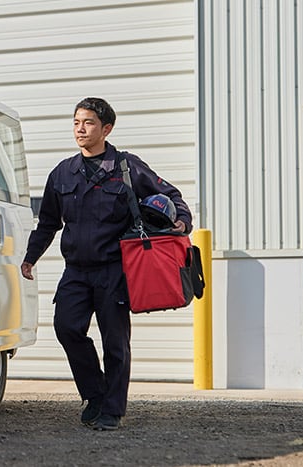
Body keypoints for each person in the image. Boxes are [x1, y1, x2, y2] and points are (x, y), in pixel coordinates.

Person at [21, 97, 192, 430]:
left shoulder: (127, 168)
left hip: (115, 270)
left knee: (115, 342)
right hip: (76, 272)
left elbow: (171, 195)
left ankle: (113, 410)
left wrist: (182, 221)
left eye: (88, 123)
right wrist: (30, 257)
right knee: (67, 327)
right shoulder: (62, 173)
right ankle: (95, 393)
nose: (80, 129)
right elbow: (48, 223)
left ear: (106, 128)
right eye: (76, 123)